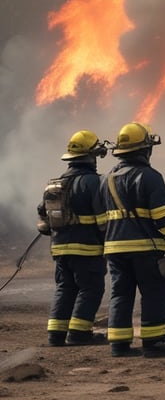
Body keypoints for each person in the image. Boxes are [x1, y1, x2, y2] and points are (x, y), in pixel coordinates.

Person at [101, 122, 165, 358]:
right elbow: (162, 215)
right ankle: (154, 342)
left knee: (120, 293)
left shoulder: (107, 179)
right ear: (145, 150)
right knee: (154, 292)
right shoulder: (150, 176)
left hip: (115, 248)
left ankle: (118, 344)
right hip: (145, 248)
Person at [36, 130, 109, 346]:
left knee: (65, 288)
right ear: (90, 156)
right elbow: (103, 219)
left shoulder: (55, 184)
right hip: (87, 249)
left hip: (60, 250)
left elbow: (43, 214)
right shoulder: (95, 183)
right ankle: (79, 333)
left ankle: (56, 335)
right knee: (91, 288)